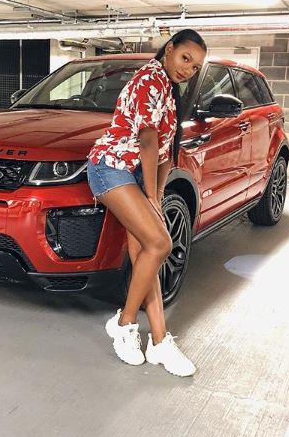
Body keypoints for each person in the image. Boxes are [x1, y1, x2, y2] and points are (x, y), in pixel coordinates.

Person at [86, 29, 207, 377]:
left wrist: (158, 190)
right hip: (111, 168)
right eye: (185, 58)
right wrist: (153, 197)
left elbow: (166, 150)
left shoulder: (169, 89)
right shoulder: (150, 79)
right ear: (169, 49)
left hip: (136, 174)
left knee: (146, 255)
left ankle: (159, 341)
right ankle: (124, 324)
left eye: (195, 67)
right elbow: (148, 139)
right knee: (160, 243)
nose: (188, 69)